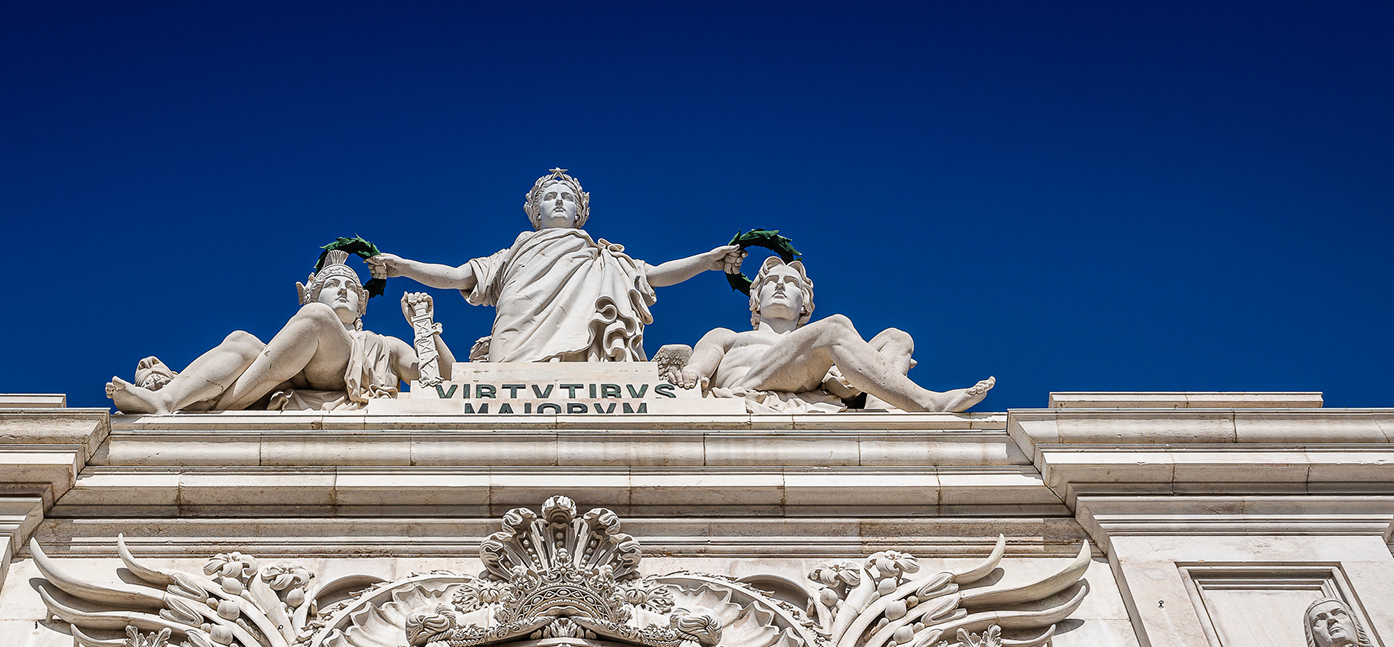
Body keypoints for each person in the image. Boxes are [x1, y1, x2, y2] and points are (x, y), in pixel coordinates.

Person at [365, 169, 742, 364]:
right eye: (550, 197)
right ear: (536, 212)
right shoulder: (510, 254)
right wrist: (403, 266)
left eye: (567, 198)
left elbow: (654, 275)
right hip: (515, 336)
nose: (559, 202)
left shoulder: (603, 257)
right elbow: (458, 276)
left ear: (580, 213)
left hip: (578, 341)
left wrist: (706, 261)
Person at [106, 254, 455, 414]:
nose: (343, 290)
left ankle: (203, 400)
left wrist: (424, 326)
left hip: (328, 375)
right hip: (277, 385)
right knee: (242, 339)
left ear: (363, 303)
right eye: (331, 284)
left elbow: (446, 382)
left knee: (317, 320)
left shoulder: (385, 345)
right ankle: (169, 399)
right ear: (308, 293)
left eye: (350, 285)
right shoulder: (304, 324)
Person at [661, 256, 994, 413]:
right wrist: (690, 373)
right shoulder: (728, 336)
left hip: (811, 377)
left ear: (803, 304)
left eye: (790, 283)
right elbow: (700, 365)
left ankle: (883, 414)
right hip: (751, 384)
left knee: (898, 337)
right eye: (771, 282)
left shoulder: (816, 345)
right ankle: (928, 402)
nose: (779, 285)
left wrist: (837, 379)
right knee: (835, 328)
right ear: (755, 300)